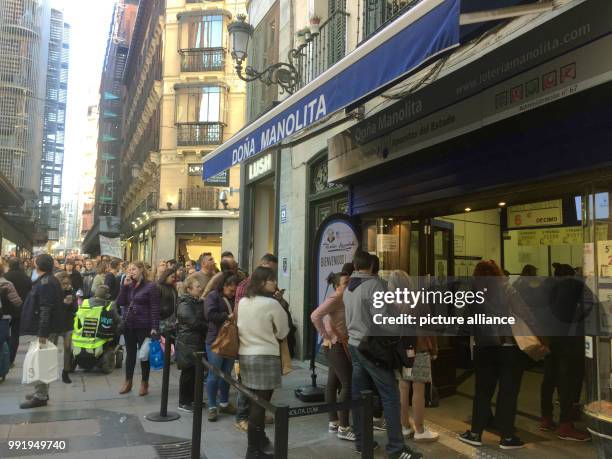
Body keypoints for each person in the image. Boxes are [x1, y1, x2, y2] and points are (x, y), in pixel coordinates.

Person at [344, 250, 420, 459]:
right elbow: (381, 320)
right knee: (390, 396)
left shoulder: (349, 287)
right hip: (370, 349)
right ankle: (396, 448)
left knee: (359, 395)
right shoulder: (373, 285)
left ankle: (361, 441)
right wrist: (400, 323)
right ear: (370, 266)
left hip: (354, 344)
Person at [459, 260, 531, 450]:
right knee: (508, 392)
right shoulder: (507, 289)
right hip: (508, 348)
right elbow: (525, 312)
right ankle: (507, 437)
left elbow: (465, 322)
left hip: (484, 348)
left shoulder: (473, 292)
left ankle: (475, 433)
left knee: (482, 392)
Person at [237, 267, 290, 459]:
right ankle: (253, 450)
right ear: (261, 283)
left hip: (245, 355)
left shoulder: (243, 301)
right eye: (271, 280)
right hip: (266, 357)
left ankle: (258, 443)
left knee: (254, 403)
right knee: (261, 404)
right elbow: (284, 331)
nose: (275, 283)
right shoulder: (272, 304)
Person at [539, 263, 591, 441]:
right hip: (568, 341)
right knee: (569, 381)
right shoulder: (574, 286)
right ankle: (565, 425)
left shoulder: (548, 287)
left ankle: (546, 418)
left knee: (549, 379)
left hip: (550, 339)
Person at [388, 270, 439, 443]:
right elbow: (429, 328)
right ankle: (420, 430)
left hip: (400, 352)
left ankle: (404, 427)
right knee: (418, 391)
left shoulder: (390, 302)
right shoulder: (418, 300)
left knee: (403, 389)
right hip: (419, 350)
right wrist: (434, 350)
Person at [310, 270, 355, 441]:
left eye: (350, 282)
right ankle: (344, 426)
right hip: (335, 346)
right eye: (345, 283)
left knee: (332, 383)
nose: (349, 285)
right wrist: (324, 334)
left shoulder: (343, 298)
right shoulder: (336, 298)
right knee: (347, 383)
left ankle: (334, 422)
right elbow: (315, 316)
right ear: (337, 287)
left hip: (335, 345)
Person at [19, 254, 64, 408]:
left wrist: (42, 334)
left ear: (39, 265)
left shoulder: (46, 283)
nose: (33, 263)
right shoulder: (48, 280)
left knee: (41, 360)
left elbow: (45, 308)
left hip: (46, 329)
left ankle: (41, 395)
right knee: (42, 359)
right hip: (46, 328)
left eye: (35, 261)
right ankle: (41, 390)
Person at [116, 261, 160, 396]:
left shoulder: (151, 286)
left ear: (141, 270)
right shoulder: (128, 285)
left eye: (134, 269)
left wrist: (154, 327)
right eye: (129, 269)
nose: (131, 272)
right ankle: (128, 381)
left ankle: (144, 383)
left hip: (144, 325)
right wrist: (124, 287)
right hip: (129, 324)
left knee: (144, 355)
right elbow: (120, 303)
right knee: (130, 355)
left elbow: (155, 308)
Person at [205, 272, 240, 421]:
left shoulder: (236, 299)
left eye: (235, 290)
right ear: (224, 285)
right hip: (216, 340)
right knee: (214, 374)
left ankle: (224, 403)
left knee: (226, 373)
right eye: (231, 289)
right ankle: (212, 406)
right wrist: (227, 316)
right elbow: (209, 315)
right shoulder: (213, 296)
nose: (233, 293)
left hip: (231, 340)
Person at [175, 276, 207, 413]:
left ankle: (194, 399)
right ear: (189, 289)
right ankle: (184, 402)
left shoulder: (197, 302)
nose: (200, 288)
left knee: (196, 373)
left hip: (196, 342)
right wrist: (208, 326)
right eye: (197, 286)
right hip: (187, 343)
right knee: (188, 373)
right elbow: (193, 323)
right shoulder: (184, 304)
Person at [3, 258, 31, 364]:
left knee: (4, 334)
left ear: (9, 266)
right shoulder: (26, 277)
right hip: (20, 310)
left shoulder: (5, 277)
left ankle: (4, 357)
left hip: (5, 311)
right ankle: (11, 359)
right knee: (15, 335)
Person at [53, 271, 78, 384]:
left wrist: (71, 303)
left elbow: (75, 309)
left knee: (68, 348)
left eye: (68, 283)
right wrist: (63, 303)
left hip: (67, 323)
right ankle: (51, 371)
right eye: (64, 283)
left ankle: (66, 371)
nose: (66, 285)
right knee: (52, 348)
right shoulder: (54, 292)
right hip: (55, 324)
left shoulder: (71, 292)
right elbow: (52, 309)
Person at [158, 268, 178, 335]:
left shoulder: (173, 288)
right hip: (162, 320)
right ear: (166, 276)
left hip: (172, 320)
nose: (173, 279)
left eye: (174, 277)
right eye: (171, 277)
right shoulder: (159, 287)